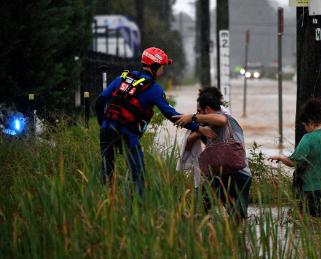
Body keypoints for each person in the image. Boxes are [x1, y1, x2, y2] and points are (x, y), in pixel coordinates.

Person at [95, 47, 215, 196]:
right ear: (155, 66)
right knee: (138, 175)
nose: (163, 71)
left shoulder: (122, 78)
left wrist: (103, 124)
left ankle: (102, 202)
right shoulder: (153, 88)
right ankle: (136, 207)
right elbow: (171, 115)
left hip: (106, 130)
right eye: (162, 67)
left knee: (106, 172)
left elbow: (99, 101)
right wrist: (199, 128)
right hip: (128, 134)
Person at [173, 87, 252, 222]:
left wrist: (192, 117)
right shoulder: (206, 129)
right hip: (219, 176)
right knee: (198, 209)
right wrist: (196, 133)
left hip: (239, 175)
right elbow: (190, 144)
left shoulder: (226, 118)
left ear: (208, 110)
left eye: (199, 111)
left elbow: (221, 120)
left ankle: (235, 240)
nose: (198, 114)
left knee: (238, 217)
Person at [269, 98, 321, 217]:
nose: (305, 127)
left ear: (310, 121)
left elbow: (293, 162)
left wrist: (280, 157)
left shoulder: (308, 139)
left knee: (314, 225)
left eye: (305, 124)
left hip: (316, 190)